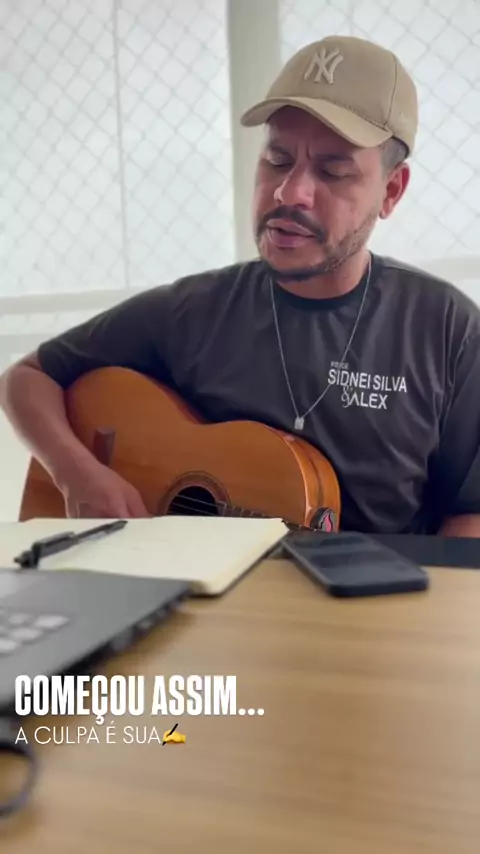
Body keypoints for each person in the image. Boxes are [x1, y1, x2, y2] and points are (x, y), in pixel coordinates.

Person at [2, 34, 480, 535]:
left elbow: (471, 518)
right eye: (277, 160)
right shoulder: (195, 310)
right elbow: (27, 378)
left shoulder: (446, 330)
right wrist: (77, 473)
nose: (289, 192)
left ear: (391, 191)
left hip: (379, 587)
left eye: (333, 171)